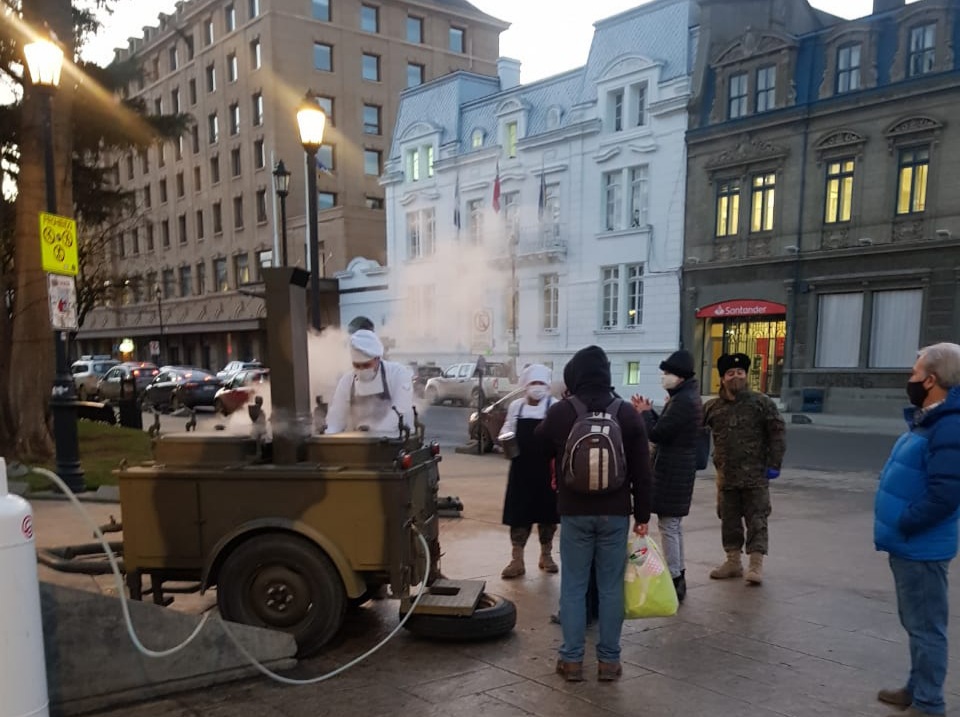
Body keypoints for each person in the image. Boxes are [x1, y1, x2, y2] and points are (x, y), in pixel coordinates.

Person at [536, 345, 652, 683]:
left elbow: (539, 445)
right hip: (615, 514)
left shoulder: (563, 411)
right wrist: (643, 514)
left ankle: (571, 660)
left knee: (573, 585)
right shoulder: (626, 413)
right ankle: (609, 662)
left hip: (574, 512)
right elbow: (644, 471)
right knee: (611, 587)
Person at [874, 343, 960, 717]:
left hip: (921, 544)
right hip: (910, 544)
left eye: (914, 373)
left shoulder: (950, 424)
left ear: (932, 380)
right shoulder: (933, 417)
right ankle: (917, 687)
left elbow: (947, 493)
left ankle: (929, 703)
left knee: (926, 626)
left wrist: (906, 520)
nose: (909, 379)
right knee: (917, 623)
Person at [703, 353, 785, 585]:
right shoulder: (713, 407)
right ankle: (733, 562)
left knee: (757, 520)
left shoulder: (761, 403)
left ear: (746, 376)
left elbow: (777, 434)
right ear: (723, 378)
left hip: (755, 477)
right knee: (729, 521)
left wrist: (774, 464)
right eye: (731, 373)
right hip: (726, 477)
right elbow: (692, 429)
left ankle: (756, 565)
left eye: (740, 373)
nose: (736, 377)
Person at [631, 349, 703, 602]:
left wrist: (643, 415)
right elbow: (666, 427)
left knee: (669, 525)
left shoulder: (683, 401)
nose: (664, 377)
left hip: (674, 469)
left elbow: (658, 434)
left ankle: (675, 578)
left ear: (680, 376)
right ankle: (678, 574)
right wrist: (650, 412)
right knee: (674, 525)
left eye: (668, 373)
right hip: (678, 468)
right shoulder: (685, 396)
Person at [499, 364, 560, 579]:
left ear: (548, 386)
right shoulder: (516, 406)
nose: (537, 387)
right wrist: (505, 436)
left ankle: (546, 555)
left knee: (548, 516)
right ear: (526, 385)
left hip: (547, 470)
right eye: (533, 383)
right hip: (521, 469)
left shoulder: (554, 406)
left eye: (541, 383)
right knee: (519, 516)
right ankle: (517, 559)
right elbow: (508, 427)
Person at [325, 329, 414, 437]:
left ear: (377, 358)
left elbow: (400, 411)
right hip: (360, 443)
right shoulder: (347, 381)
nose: (361, 370)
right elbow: (336, 417)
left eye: (366, 365)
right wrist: (328, 436)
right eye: (357, 366)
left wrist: (372, 434)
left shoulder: (398, 373)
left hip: (397, 440)